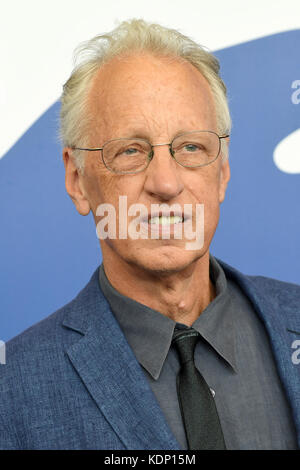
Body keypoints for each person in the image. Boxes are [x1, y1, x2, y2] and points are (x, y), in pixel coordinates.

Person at [1, 18, 299, 450]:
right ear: (76, 179)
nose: (165, 183)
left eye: (191, 147)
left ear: (222, 172)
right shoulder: (14, 392)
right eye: (130, 151)